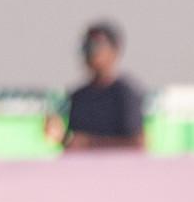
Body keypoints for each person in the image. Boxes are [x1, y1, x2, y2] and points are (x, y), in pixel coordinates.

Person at [45, 22, 145, 152]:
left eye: (95, 46)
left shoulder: (124, 95)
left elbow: (138, 145)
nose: (89, 53)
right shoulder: (78, 97)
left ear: (114, 51)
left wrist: (89, 144)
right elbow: (73, 142)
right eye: (86, 47)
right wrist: (63, 138)